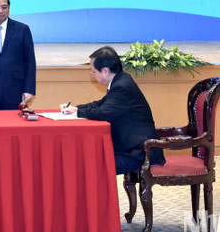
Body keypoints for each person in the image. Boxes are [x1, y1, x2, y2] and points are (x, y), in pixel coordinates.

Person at [61, 46, 165, 174]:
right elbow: (101, 104)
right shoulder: (120, 80)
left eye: (93, 72)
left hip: (139, 152)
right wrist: (76, 108)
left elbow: (103, 113)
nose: (92, 75)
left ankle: (96, 194)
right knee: (86, 160)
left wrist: (77, 113)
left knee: (91, 167)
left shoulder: (122, 86)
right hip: (129, 147)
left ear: (105, 70)